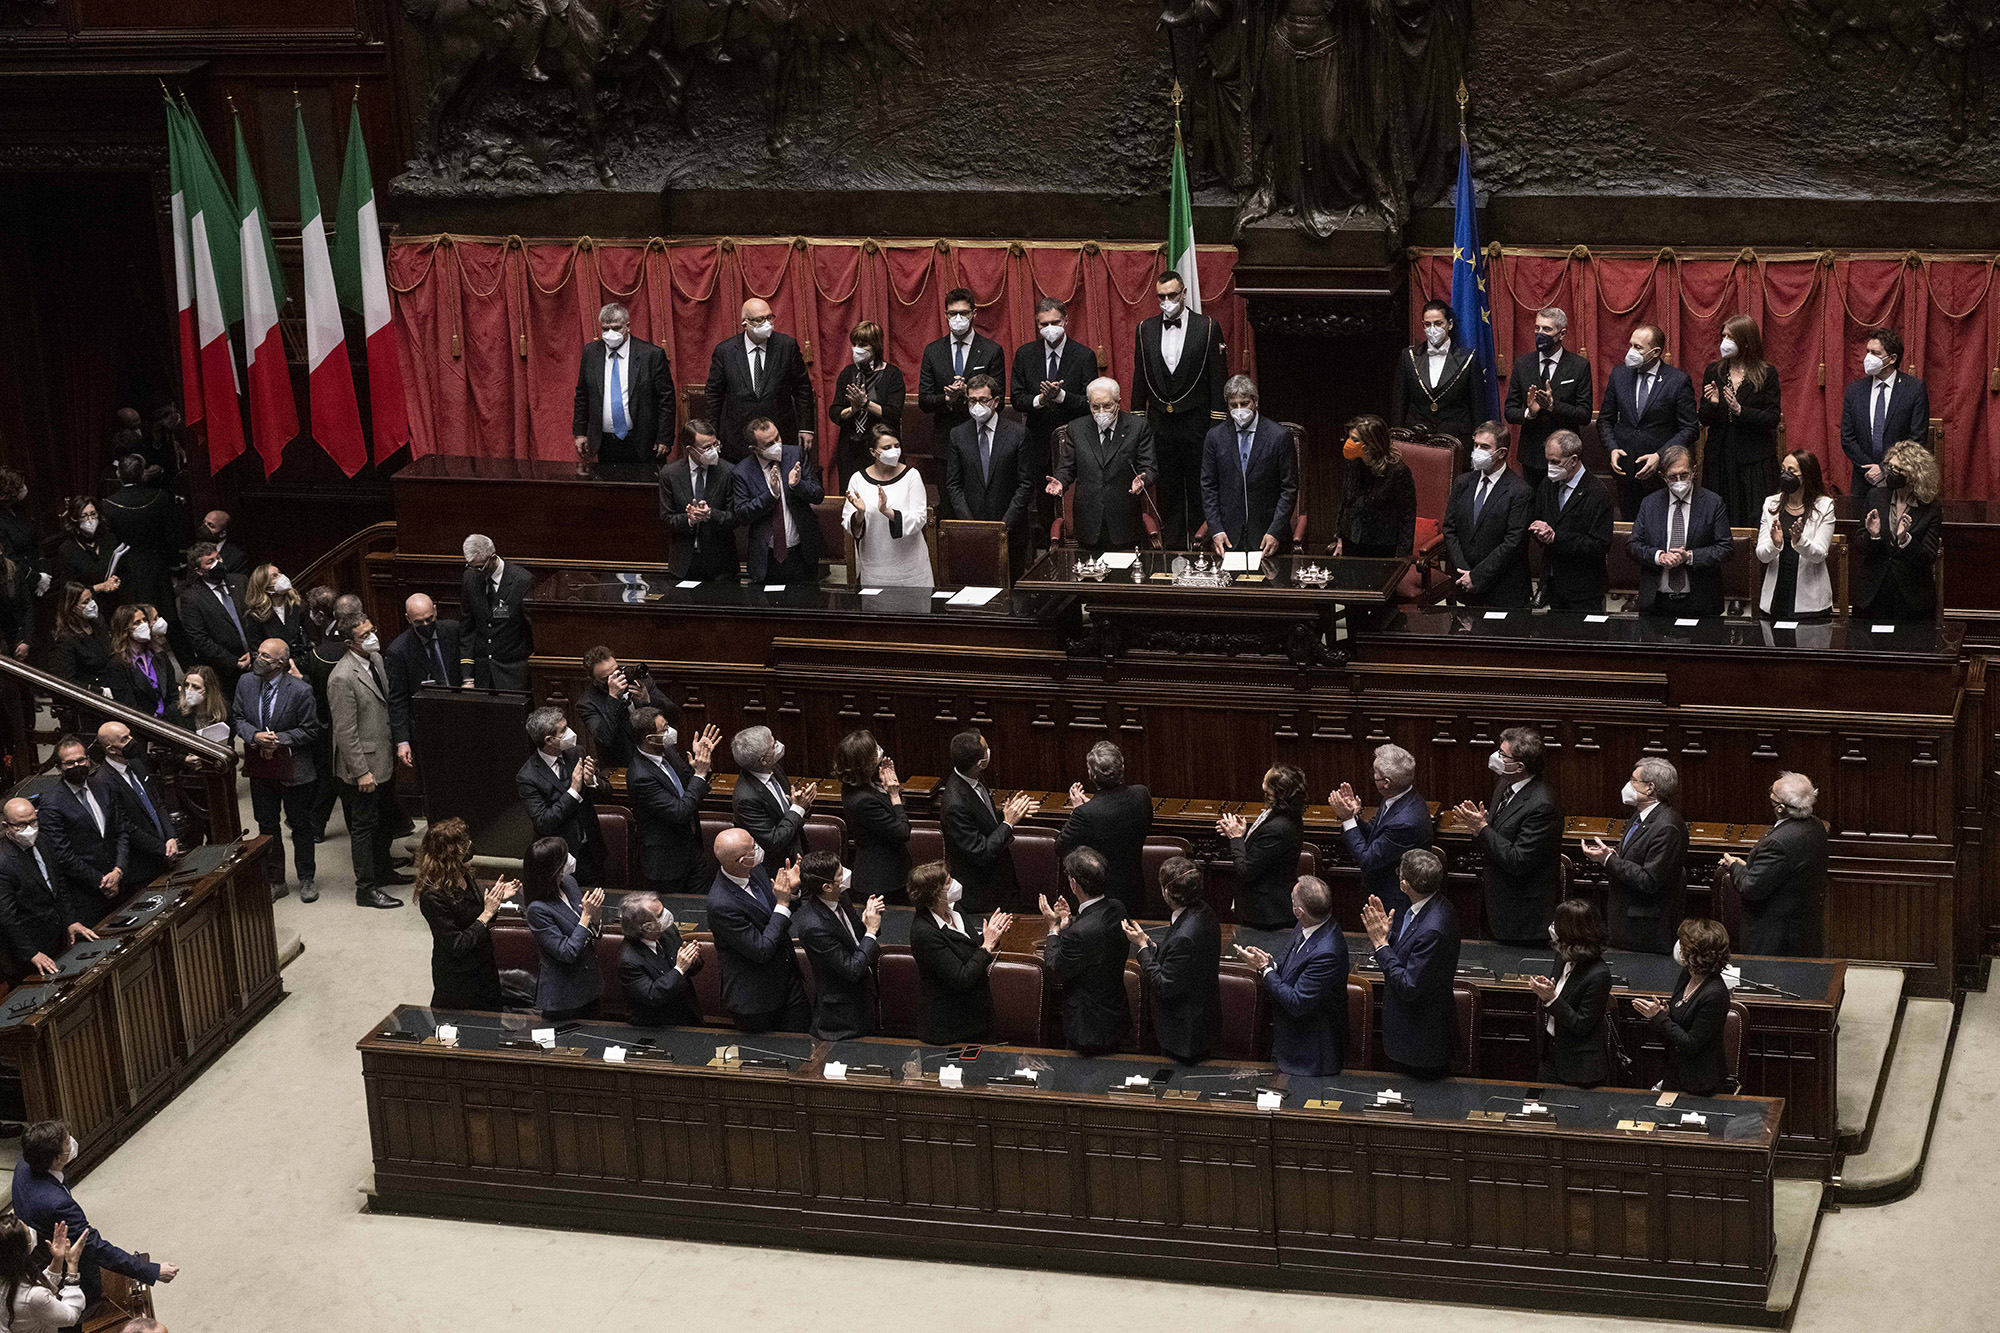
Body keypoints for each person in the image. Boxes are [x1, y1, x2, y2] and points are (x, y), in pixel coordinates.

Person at [11, 1121, 173, 1305]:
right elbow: (94, 1247)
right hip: (63, 1276)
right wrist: (151, 1270)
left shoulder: (23, 1166)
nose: (71, 1142)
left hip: (36, 1256)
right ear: (56, 1158)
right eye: (66, 1142)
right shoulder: (58, 1204)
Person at [1132, 270, 1228, 547]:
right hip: (1160, 425)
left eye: (1172, 295)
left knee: (1201, 491)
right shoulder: (1145, 329)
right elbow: (1140, 378)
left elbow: (1217, 376)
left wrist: (1216, 427)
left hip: (1197, 425)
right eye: (1161, 297)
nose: (1166, 301)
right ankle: (1173, 555)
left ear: (1184, 293)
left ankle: (1204, 552)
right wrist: (1139, 424)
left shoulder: (1208, 327)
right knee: (1168, 494)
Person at [1454, 726, 1560, 945]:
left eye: (1503, 755)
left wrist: (1483, 828)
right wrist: (1478, 829)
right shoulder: (1505, 783)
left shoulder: (1542, 805)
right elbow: (1496, 836)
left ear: (1519, 766)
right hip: (1496, 904)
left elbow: (1518, 860)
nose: (1497, 757)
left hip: (1523, 917)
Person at [234, 638, 321, 903]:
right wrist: (255, 735)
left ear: (280, 663)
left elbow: (310, 730)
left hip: (294, 769)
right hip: (261, 768)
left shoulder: (300, 690)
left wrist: (279, 739)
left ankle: (306, 878)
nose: (258, 659)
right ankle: (276, 880)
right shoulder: (245, 683)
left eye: (265, 657)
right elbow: (237, 718)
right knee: (266, 826)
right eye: (258, 654)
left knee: (300, 825)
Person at [1236, 875, 1349, 1076]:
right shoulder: (1307, 925)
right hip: (1288, 1042)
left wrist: (1264, 970)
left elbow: (1297, 1002)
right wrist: (1270, 963)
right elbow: (1291, 964)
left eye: (1292, 899)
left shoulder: (1328, 951)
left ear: (1299, 912)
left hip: (1311, 1055)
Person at [1363, 848, 1461, 1079]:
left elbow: (1409, 986)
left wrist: (1381, 945)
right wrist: (1390, 937)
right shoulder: (1436, 905)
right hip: (1412, 1035)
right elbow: (1412, 951)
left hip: (1420, 1044)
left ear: (1404, 884)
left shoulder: (1433, 928)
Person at [329, 613, 403, 909]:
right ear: (349, 643)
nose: (372, 637)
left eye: (372, 630)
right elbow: (345, 732)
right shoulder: (342, 677)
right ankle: (366, 889)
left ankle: (383, 870)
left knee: (384, 820)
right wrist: (361, 772)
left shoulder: (377, 661)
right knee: (364, 827)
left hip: (383, 757)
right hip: (362, 766)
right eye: (365, 635)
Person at [706, 828, 811, 1033]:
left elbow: (777, 916)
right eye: (753, 847)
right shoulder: (721, 904)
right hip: (755, 1000)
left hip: (787, 980)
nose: (758, 847)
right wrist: (782, 902)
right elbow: (761, 950)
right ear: (741, 861)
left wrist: (791, 892)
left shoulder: (756, 870)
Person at [1580, 757, 1687, 954]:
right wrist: (1611, 854)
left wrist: (1608, 860)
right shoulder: (1640, 816)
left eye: (1633, 780)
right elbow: (1635, 856)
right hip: (1627, 925)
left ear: (1650, 788)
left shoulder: (1667, 826)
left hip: (1645, 932)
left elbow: (1649, 880)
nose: (1628, 785)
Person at [1120, 857, 1220, 1064]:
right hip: (1201, 1018)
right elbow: (1180, 961)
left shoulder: (1185, 935)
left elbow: (1165, 985)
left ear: (1167, 892)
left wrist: (1142, 948)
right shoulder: (1205, 912)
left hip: (1184, 1032)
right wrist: (1151, 945)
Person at [1718, 772, 1826, 956]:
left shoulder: (1778, 842)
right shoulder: (1816, 826)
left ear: (1781, 808)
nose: (1769, 795)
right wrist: (1749, 867)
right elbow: (1785, 872)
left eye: (1772, 793)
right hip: (1803, 926)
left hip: (1774, 936)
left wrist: (1734, 866)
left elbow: (1750, 887)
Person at [1598, 324, 1698, 519]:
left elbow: (1690, 428)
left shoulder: (1677, 381)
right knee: (1631, 531)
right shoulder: (1619, 375)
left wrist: (1660, 456)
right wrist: (1612, 448)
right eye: (1631, 345)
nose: (1631, 352)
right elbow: (1605, 420)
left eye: (1638, 347)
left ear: (1656, 352)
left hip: (1661, 474)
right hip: (1625, 472)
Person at [1048, 377, 1158, 554]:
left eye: (1107, 406)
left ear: (1118, 402)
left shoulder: (1138, 427)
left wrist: (1143, 479)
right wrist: (1060, 481)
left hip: (1125, 521)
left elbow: (1150, 467)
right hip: (1088, 522)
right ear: (1089, 404)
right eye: (1095, 406)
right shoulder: (1076, 429)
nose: (1101, 411)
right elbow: (1067, 468)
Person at [1037, 848, 1130, 1055]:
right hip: (1115, 1014)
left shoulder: (1080, 933)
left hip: (1088, 1028)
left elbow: (1055, 970)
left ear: (1073, 884)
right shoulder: (1118, 908)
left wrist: (1053, 929)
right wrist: (1068, 922)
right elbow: (1092, 940)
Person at [908, 860, 1011, 1046]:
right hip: (950, 1029)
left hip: (977, 1018)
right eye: (948, 882)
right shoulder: (924, 932)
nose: (955, 883)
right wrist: (987, 946)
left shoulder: (954, 910)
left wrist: (992, 934)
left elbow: (970, 950)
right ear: (935, 894)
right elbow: (961, 977)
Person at [415, 817, 513, 1011]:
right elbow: (457, 945)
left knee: (493, 1022)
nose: (469, 846)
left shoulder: (462, 872)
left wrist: (495, 900)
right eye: (464, 844)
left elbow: (475, 914)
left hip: (484, 965)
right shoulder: (432, 896)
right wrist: (487, 912)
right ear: (452, 852)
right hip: (459, 979)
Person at [703, 297, 816, 462]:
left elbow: (802, 389)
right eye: (759, 320)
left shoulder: (787, 346)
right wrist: (712, 435)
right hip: (738, 436)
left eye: (769, 317)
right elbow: (713, 395)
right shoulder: (725, 351)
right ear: (745, 323)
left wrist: (806, 428)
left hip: (779, 432)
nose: (767, 323)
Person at [1628, 445, 1735, 618]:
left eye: (1684, 475)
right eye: (1672, 477)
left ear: (1693, 471)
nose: (1679, 481)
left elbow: (1726, 548)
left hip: (1701, 602)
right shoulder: (1650, 504)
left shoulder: (1712, 503)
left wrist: (1691, 557)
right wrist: (1659, 556)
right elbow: (1633, 545)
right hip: (1656, 602)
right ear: (1663, 477)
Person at [1502, 306, 1594, 504]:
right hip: (1532, 455)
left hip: (1566, 458)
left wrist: (1553, 406)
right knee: (1533, 511)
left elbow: (1585, 415)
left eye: (1546, 330)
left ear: (1562, 333)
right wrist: (1529, 413)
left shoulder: (1578, 366)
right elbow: (1510, 411)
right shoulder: (1523, 364)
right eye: (1537, 329)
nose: (1540, 334)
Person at [1328, 743, 1432, 915]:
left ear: (1386, 783)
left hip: (1394, 901)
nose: (1372, 776)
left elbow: (1368, 860)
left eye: (1374, 773)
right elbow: (1378, 837)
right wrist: (1354, 817)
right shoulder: (1398, 797)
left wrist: (1347, 819)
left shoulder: (1405, 822)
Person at [1699, 314, 1784, 526]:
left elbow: (1772, 418)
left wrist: (1741, 411)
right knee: (1719, 519)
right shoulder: (1714, 371)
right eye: (1723, 336)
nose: (1724, 342)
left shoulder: (1766, 373)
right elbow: (1703, 418)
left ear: (1746, 342)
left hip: (1753, 460)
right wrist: (1714, 404)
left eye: (1730, 337)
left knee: (1752, 518)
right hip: (1720, 458)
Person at [1632, 918, 1733, 1095]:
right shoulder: (1687, 974)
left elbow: (1691, 1043)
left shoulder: (1714, 994)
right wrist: (1666, 1011)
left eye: (1683, 944)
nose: (1678, 947)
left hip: (1700, 1084)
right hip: (1675, 1072)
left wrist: (1658, 1017)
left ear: (1693, 954)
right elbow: (1681, 1012)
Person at [1200, 374, 1297, 558]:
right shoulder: (1215, 437)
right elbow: (1208, 487)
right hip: (1228, 537)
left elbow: (1289, 489)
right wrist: (1216, 530)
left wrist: (1275, 531)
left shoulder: (1278, 436)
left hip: (1267, 536)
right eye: (1233, 405)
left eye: (1244, 404)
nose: (1239, 410)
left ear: (1255, 401)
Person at [0, 798, 96, 982]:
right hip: (27, 952)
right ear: (6, 826)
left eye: (33, 821)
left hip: (56, 937)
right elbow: (7, 917)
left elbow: (58, 884)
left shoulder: (43, 840)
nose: (29, 829)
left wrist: (70, 920)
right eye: (20, 825)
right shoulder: (3, 861)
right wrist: (32, 953)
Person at [937, 730, 1034, 912]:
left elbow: (982, 821)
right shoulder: (955, 804)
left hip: (1002, 884)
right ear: (980, 763)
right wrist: (1008, 823)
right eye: (987, 749)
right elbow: (980, 853)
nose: (989, 750)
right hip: (982, 895)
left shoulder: (973, 778)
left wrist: (1006, 814)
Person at [940, 374, 1035, 561]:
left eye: (983, 400)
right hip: (972, 530)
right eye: (972, 400)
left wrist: (1004, 525)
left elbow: (1026, 484)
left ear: (996, 401)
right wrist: (971, 525)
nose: (977, 406)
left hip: (1011, 529)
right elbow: (953, 484)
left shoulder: (1018, 434)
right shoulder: (958, 435)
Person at [628, 705, 719, 897]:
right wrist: (700, 774)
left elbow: (694, 787)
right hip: (666, 863)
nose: (670, 732)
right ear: (649, 739)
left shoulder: (668, 752)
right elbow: (680, 812)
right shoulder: (640, 776)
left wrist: (699, 767)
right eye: (664, 729)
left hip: (692, 849)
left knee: (703, 906)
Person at [1010, 296, 1099, 491]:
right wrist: (1040, 399)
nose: (1050, 328)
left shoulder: (1084, 356)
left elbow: (1091, 402)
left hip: (1074, 441)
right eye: (1044, 324)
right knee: (1044, 503)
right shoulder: (1025, 354)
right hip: (1038, 441)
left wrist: (1061, 396)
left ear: (1066, 320)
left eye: (1055, 322)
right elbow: (1017, 398)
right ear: (1037, 324)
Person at [794, 851, 883, 1041]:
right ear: (827, 886)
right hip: (841, 1020)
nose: (847, 875)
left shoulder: (841, 897)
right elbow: (851, 969)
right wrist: (871, 931)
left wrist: (868, 918)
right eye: (840, 875)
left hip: (864, 999)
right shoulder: (813, 927)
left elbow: (854, 938)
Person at [1056, 740, 1152, 916]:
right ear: (1122, 767)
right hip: (1135, 891)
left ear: (1091, 774)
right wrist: (1091, 807)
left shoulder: (1085, 814)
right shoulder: (1142, 795)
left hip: (1101, 901)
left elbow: (1061, 846)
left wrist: (1079, 809)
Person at [572, 301, 673, 467]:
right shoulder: (591, 353)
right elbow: (582, 395)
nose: (610, 333)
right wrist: (580, 433)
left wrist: (664, 437)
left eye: (616, 328)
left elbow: (666, 400)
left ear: (627, 326)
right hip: (604, 442)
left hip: (643, 440)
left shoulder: (651, 355)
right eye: (605, 328)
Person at [1441, 420, 1531, 608]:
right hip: (1463, 582)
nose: (1477, 451)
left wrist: (1477, 576)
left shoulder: (1520, 491)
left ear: (1502, 453)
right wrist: (1463, 570)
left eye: (1484, 446)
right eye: (1475, 445)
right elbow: (1450, 528)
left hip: (1501, 588)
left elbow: (1513, 542)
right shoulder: (1462, 483)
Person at [1527, 898, 1614, 1089]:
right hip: (1550, 1055)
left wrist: (1551, 998)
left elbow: (1581, 1024)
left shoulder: (1599, 974)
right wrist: (1545, 991)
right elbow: (1555, 996)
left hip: (1579, 1069)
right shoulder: (1562, 957)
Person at [1854, 439, 1943, 622]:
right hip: (1873, 594)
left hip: (1912, 598)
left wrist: (1906, 540)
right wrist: (1874, 535)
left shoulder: (1930, 508)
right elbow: (1859, 545)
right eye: (1890, 467)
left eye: (1898, 470)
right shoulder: (1875, 497)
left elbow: (1928, 556)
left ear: (1914, 474)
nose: (1891, 473)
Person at [39, 736, 127, 922]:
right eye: (70, 763)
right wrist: (102, 881)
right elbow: (63, 855)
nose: (77, 765)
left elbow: (120, 831)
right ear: (59, 767)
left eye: (81, 760)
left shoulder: (103, 786)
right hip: (87, 894)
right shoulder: (52, 803)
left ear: (88, 760)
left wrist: (118, 870)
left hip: (120, 881)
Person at [517, 705, 604, 887]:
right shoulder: (528, 776)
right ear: (549, 740)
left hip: (591, 850)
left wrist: (592, 782)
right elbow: (544, 822)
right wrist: (573, 791)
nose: (570, 732)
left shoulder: (577, 752)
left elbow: (606, 793)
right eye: (563, 730)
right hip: (560, 859)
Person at [732, 417, 825, 585]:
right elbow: (742, 515)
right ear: (754, 449)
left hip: (801, 555)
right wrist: (771, 495)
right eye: (769, 444)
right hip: (766, 559)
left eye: (778, 438)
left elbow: (818, 495)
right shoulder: (742, 472)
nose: (777, 445)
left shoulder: (796, 454)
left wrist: (797, 485)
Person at [520, 835, 604, 1021]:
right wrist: (587, 917)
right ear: (552, 868)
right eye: (564, 857)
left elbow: (592, 932)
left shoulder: (569, 884)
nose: (570, 859)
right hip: (563, 997)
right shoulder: (538, 909)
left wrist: (596, 917)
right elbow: (566, 952)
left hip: (590, 985)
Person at [384, 592, 471, 770]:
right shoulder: (398, 651)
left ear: (435, 611)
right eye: (419, 622)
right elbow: (398, 699)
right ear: (408, 619)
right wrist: (402, 740)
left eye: (429, 619)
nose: (425, 625)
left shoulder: (453, 630)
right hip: (428, 729)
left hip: (462, 718)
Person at [1839, 327, 1930, 497]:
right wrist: (1870, 469)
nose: (1868, 358)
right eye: (1868, 352)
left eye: (1875, 353)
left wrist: (1885, 469)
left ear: (1892, 358)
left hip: (1901, 480)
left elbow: (1917, 437)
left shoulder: (1914, 389)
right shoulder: (1854, 391)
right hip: (1863, 479)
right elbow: (1847, 438)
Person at [1530, 429, 1614, 611]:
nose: (1550, 467)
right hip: (1552, 584)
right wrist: (1539, 532)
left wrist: (1556, 537)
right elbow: (1538, 521)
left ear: (1574, 460)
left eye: (1555, 462)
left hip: (1584, 589)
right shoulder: (1547, 485)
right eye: (1548, 461)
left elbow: (1599, 545)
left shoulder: (1598, 493)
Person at [1218, 763, 1308, 929]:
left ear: (1276, 791)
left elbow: (1246, 871)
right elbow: (1262, 852)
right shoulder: (1285, 814)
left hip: (1267, 916)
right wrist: (1243, 833)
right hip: (1265, 911)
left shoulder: (1278, 827)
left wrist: (1236, 838)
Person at [842, 426, 933, 589]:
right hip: (875, 569)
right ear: (872, 452)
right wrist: (860, 514)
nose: (894, 451)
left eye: (896, 446)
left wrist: (887, 512)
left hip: (911, 570)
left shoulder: (912, 476)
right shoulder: (858, 479)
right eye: (886, 448)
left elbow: (920, 519)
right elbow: (849, 524)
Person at [89, 722, 177, 890]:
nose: (131, 740)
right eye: (124, 739)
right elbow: (125, 825)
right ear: (111, 749)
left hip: (163, 852)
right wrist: (161, 848)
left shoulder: (136, 763)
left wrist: (170, 836)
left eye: (129, 735)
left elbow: (156, 802)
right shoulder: (103, 781)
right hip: (141, 865)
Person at [1756, 449, 1836, 620]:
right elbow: (1762, 555)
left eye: (1792, 472)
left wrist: (1799, 541)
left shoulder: (1824, 506)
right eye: (1783, 470)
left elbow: (1819, 554)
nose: (1786, 475)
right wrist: (1775, 544)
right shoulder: (1771, 504)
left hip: (1811, 603)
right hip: (1775, 600)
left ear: (1806, 476)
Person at [98, 453, 183, 615]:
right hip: (157, 564)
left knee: (137, 617)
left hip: (127, 570)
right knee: (165, 616)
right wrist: (175, 564)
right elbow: (171, 534)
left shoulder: (107, 505)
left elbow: (109, 544)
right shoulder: (161, 497)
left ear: (118, 474)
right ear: (143, 473)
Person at [920, 288, 1008, 442]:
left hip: (982, 435)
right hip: (945, 437)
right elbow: (924, 401)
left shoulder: (991, 350)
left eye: (964, 313)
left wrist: (967, 392)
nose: (958, 318)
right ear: (946, 315)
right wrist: (947, 398)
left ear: (974, 313)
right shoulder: (933, 351)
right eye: (953, 313)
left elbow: (998, 399)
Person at [658, 420, 739, 583]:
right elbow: (666, 518)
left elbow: (735, 517)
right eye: (707, 447)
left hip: (721, 567)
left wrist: (710, 515)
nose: (714, 450)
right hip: (684, 565)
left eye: (715, 444)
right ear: (690, 450)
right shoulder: (670, 474)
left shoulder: (729, 472)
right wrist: (689, 519)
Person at [829, 321, 906, 485]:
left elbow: (893, 414)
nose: (857, 348)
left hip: (881, 450)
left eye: (863, 344)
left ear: (875, 346)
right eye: (854, 344)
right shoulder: (847, 373)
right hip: (850, 450)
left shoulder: (892, 374)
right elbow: (835, 413)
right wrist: (853, 409)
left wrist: (866, 403)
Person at [1391, 299, 1480, 440]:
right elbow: (1399, 403)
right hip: (1416, 437)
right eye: (1427, 324)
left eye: (1438, 323)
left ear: (1449, 324)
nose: (1433, 329)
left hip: (1455, 438)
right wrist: (1396, 438)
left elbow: (1477, 406)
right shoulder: (1408, 356)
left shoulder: (1468, 358)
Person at [838, 729, 910, 902]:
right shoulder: (862, 800)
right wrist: (894, 795)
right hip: (881, 880)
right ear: (865, 763)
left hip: (891, 873)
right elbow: (902, 831)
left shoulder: (860, 784)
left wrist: (888, 787)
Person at [1331, 413, 1415, 558]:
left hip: (1381, 546)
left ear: (1371, 444)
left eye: (1355, 439)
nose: (1349, 443)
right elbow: (1346, 501)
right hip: (1351, 538)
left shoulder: (1398, 472)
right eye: (1349, 437)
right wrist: (1339, 536)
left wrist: (1402, 556)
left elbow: (1407, 515)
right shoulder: (1353, 463)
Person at [729, 723, 814, 865]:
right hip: (777, 868)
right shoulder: (746, 798)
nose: (779, 745)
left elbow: (787, 811)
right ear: (763, 760)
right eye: (773, 745)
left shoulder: (773, 768)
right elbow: (774, 841)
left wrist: (799, 803)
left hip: (797, 854)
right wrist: (798, 808)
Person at [574, 645, 670, 770]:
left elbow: (673, 714)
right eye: (607, 678)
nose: (616, 678)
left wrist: (648, 700)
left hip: (658, 756)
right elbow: (604, 740)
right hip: (623, 766)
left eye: (616, 671)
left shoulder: (638, 680)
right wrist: (613, 698)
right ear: (594, 681)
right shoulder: (587, 703)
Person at [459, 534, 534, 690]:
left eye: (479, 567)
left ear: (492, 558)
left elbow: (532, 628)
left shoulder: (522, 581)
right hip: (483, 673)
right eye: (471, 566)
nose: (476, 571)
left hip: (513, 672)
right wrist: (468, 676)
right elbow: (467, 628)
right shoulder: (470, 578)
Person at [618, 892, 704, 1027]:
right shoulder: (629, 960)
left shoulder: (668, 931)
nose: (667, 915)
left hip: (687, 1013)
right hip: (656, 1025)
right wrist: (679, 969)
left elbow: (690, 971)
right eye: (660, 915)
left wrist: (693, 958)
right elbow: (652, 995)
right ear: (646, 927)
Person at [178, 541, 252, 693]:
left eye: (218, 558)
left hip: (256, 657)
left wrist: (256, 652)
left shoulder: (240, 581)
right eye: (210, 562)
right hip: (226, 670)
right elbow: (199, 639)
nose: (218, 563)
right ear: (199, 571)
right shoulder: (191, 598)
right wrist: (234, 661)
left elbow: (256, 617)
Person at [0, 1213, 87, 1333]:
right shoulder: (33, 1297)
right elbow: (71, 1316)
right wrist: (72, 1266)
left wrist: (58, 1259)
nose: (31, 1231)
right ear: (19, 1252)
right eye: (27, 1232)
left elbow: (33, 1285)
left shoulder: (7, 1272)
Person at [54, 497, 119, 615]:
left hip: (115, 601)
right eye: (84, 516)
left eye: (93, 514)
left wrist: (116, 579)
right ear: (75, 519)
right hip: (88, 609)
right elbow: (69, 589)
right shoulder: (67, 550)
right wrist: (98, 588)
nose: (90, 520)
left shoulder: (109, 539)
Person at [49, 583, 111, 693]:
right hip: (91, 693)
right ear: (72, 607)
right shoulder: (66, 638)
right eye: (85, 602)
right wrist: (100, 692)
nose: (92, 604)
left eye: (91, 599)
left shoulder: (98, 623)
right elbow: (66, 680)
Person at [243, 563, 308, 658]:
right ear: (264, 585)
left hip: (302, 660)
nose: (282, 577)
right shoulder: (255, 616)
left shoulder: (298, 604)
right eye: (274, 576)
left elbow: (312, 638)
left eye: (280, 573)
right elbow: (257, 649)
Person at [181, 663, 230, 745]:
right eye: (186, 685)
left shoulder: (224, 709)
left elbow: (230, 738)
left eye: (196, 687)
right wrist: (185, 758)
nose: (189, 690)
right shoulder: (175, 711)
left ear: (209, 691)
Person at [196, 510, 250, 580]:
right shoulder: (196, 549)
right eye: (204, 523)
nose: (204, 528)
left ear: (222, 534)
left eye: (210, 525)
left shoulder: (236, 557)